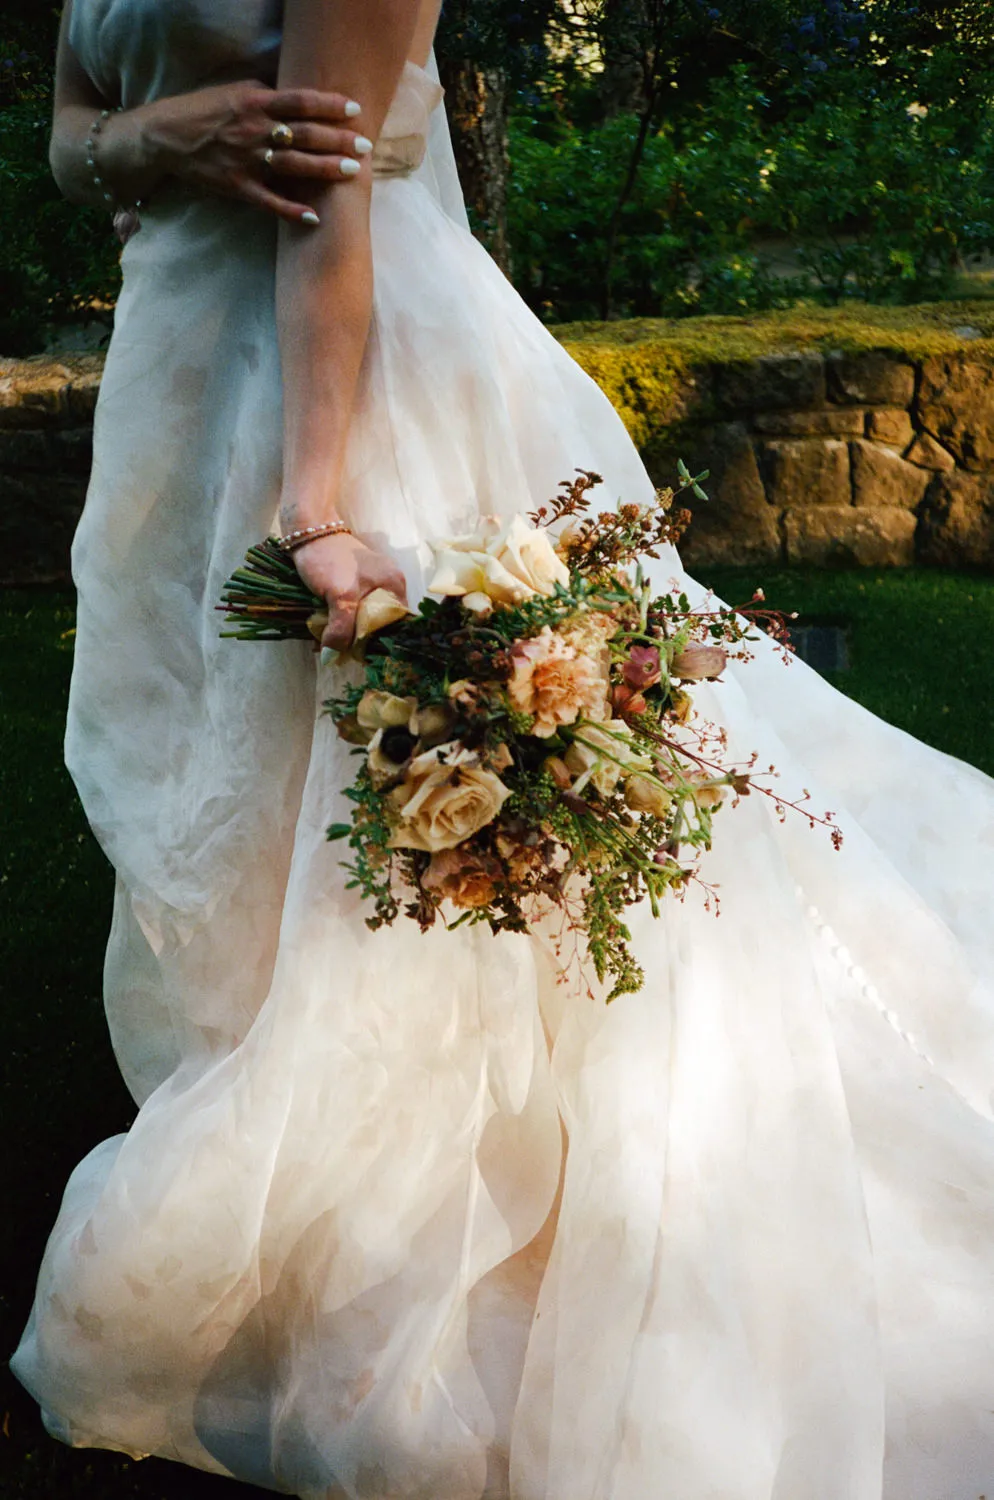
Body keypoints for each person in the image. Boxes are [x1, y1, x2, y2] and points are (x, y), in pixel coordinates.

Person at [12, 2, 994, 1497]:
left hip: (344, 375)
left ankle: (432, 1210)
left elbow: (329, 197)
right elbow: (72, 137)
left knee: (392, 818)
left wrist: (321, 501)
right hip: (183, 369)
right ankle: (276, 1101)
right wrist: (156, 136)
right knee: (240, 796)